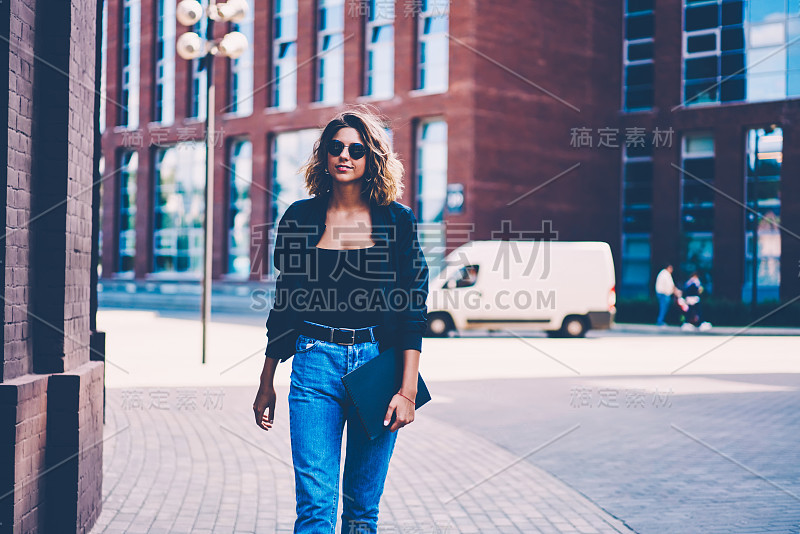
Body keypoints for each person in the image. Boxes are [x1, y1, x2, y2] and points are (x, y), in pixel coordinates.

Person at [252, 107, 429, 533]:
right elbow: (285, 304)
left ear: (372, 158)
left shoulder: (397, 221)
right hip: (314, 363)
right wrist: (266, 379)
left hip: (377, 368)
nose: (344, 155)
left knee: (362, 510)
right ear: (324, 157)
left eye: (355, 148)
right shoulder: (300, 217)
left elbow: (412, 308)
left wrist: (406, 390)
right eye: (335, 148)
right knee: (315, 505)